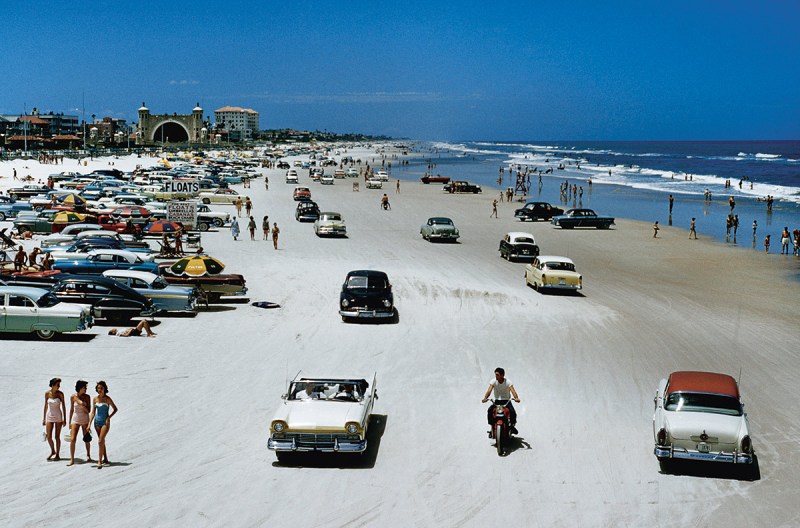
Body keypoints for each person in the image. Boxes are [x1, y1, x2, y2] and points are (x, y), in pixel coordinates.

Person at [482, 367, 520, 435]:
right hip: (497, 401)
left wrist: (516, 398)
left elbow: (513, 391)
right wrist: (485, 398)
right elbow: (489, 391)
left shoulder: (508, 382)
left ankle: (512, 426)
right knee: (490, 410)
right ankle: (492, 426)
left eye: (497, 375)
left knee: (512, 412)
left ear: (502, 375)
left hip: (506, 401)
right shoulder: (493, 381)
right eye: (495, 374)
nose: (496, 376)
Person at [88, 381, 117, 468]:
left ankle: (100, 461)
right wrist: (89, 423)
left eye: (101, 388)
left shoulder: (107, 399)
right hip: (97, 422)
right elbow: (93, 412)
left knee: (100, 441)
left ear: (104, 389)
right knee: (101, 440)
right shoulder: (95, 399)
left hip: (105, 422)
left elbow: (115, 409)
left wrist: (109, 417)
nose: (99, 390)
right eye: (98, 388)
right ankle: (106, 458)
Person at [67, 380, 92, 466]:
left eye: (86, 387)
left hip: (84, 418)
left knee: (86, 438)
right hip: (75, 419)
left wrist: (82, 405)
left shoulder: (87, 397)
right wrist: (69, 422)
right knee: (73, 439)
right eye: (84, 387)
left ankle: (88, 455)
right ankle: (72, 459)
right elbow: (71, 410)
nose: (85, 389)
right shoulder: (73, 397)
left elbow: (88, 411)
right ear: (80, 388)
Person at [43, 377, 67, 461]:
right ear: (52, 385)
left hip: (58, 416)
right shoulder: (47, 394)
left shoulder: (60, 394)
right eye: (57, 385)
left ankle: (57, 454)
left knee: (57, 436)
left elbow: (63, 406)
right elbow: (45, 406)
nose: (59, 386)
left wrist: (64, 418)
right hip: (50, 415)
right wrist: (43, 418)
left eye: (59, 384)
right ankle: (53, 451)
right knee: (49, 436)